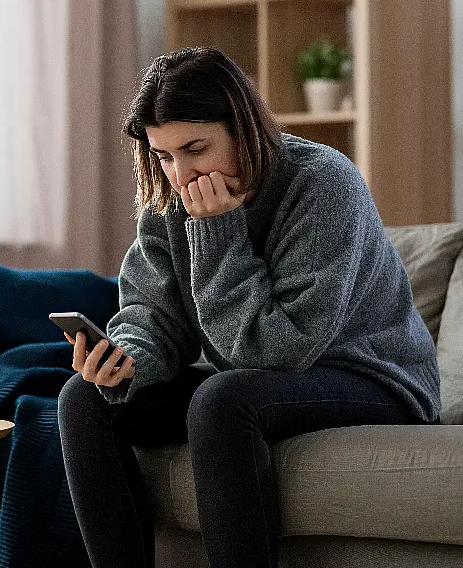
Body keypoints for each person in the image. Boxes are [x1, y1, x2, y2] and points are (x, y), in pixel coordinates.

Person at [56, 46, 439, 568]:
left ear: (242, 126)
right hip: (253, 373)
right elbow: (153, 315)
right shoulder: (169, 196)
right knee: (86, 397)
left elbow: (281, 351)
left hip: (371, 377)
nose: (181, 173)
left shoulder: (324, 183)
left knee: (221, 399)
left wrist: (216, 233)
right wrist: (126, 360)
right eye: (165, 156)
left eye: (196, 149)